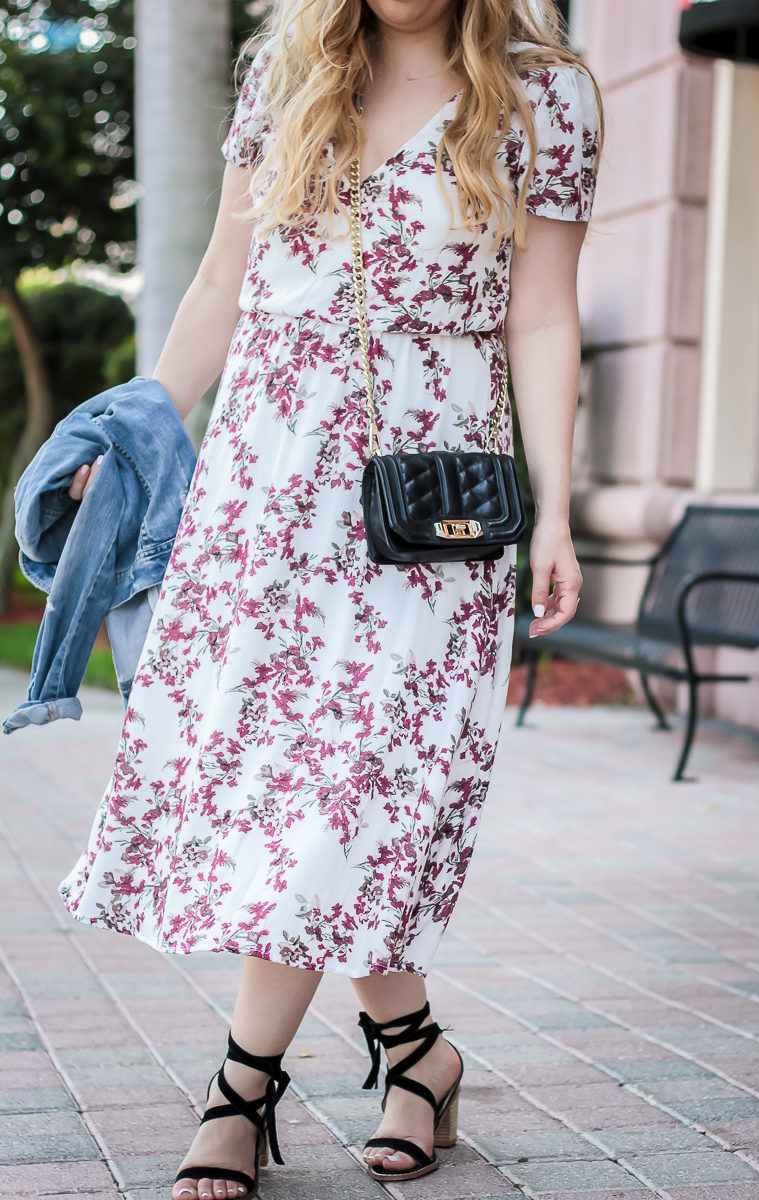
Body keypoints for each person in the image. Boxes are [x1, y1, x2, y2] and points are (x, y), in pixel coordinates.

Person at [58, 1, 603, 1196]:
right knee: (298, 793)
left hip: (431, 508)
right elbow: (218, 281)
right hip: (265, 486)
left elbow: (544, 311)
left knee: (350, 793)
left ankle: (241, 1089)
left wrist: (557, 509)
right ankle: (417, 1055)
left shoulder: (543, 95)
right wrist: (141, 432)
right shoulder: (285, 67)